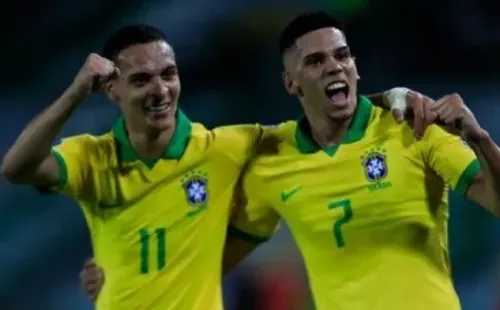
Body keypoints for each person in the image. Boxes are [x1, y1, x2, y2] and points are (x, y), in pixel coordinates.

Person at [0, 24, 426, 310]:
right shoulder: (91, 156)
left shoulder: (224, 147)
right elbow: (16, 168)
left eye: (169, 74)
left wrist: (392, 96)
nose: (161, 89)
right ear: (111, 90)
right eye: (142, 79)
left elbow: (325, 116)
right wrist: (75, 92)